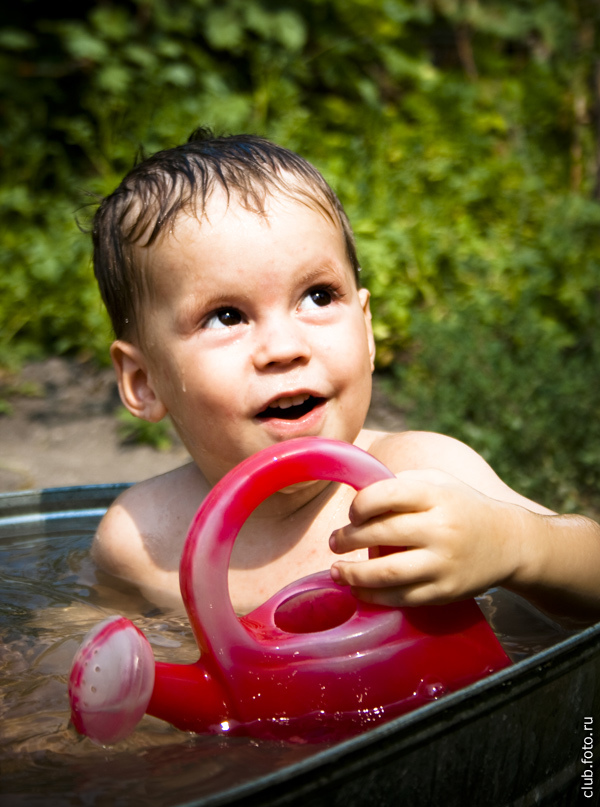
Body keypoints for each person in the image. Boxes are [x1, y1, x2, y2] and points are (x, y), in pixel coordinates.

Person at [91, 127, 600, 625]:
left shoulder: (424, 475)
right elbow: (98, 668)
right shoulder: (143, 542)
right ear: (144, 382)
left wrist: (515, 544)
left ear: (368, 330)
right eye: (227, 316)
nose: (285, 349)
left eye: (317, 296)